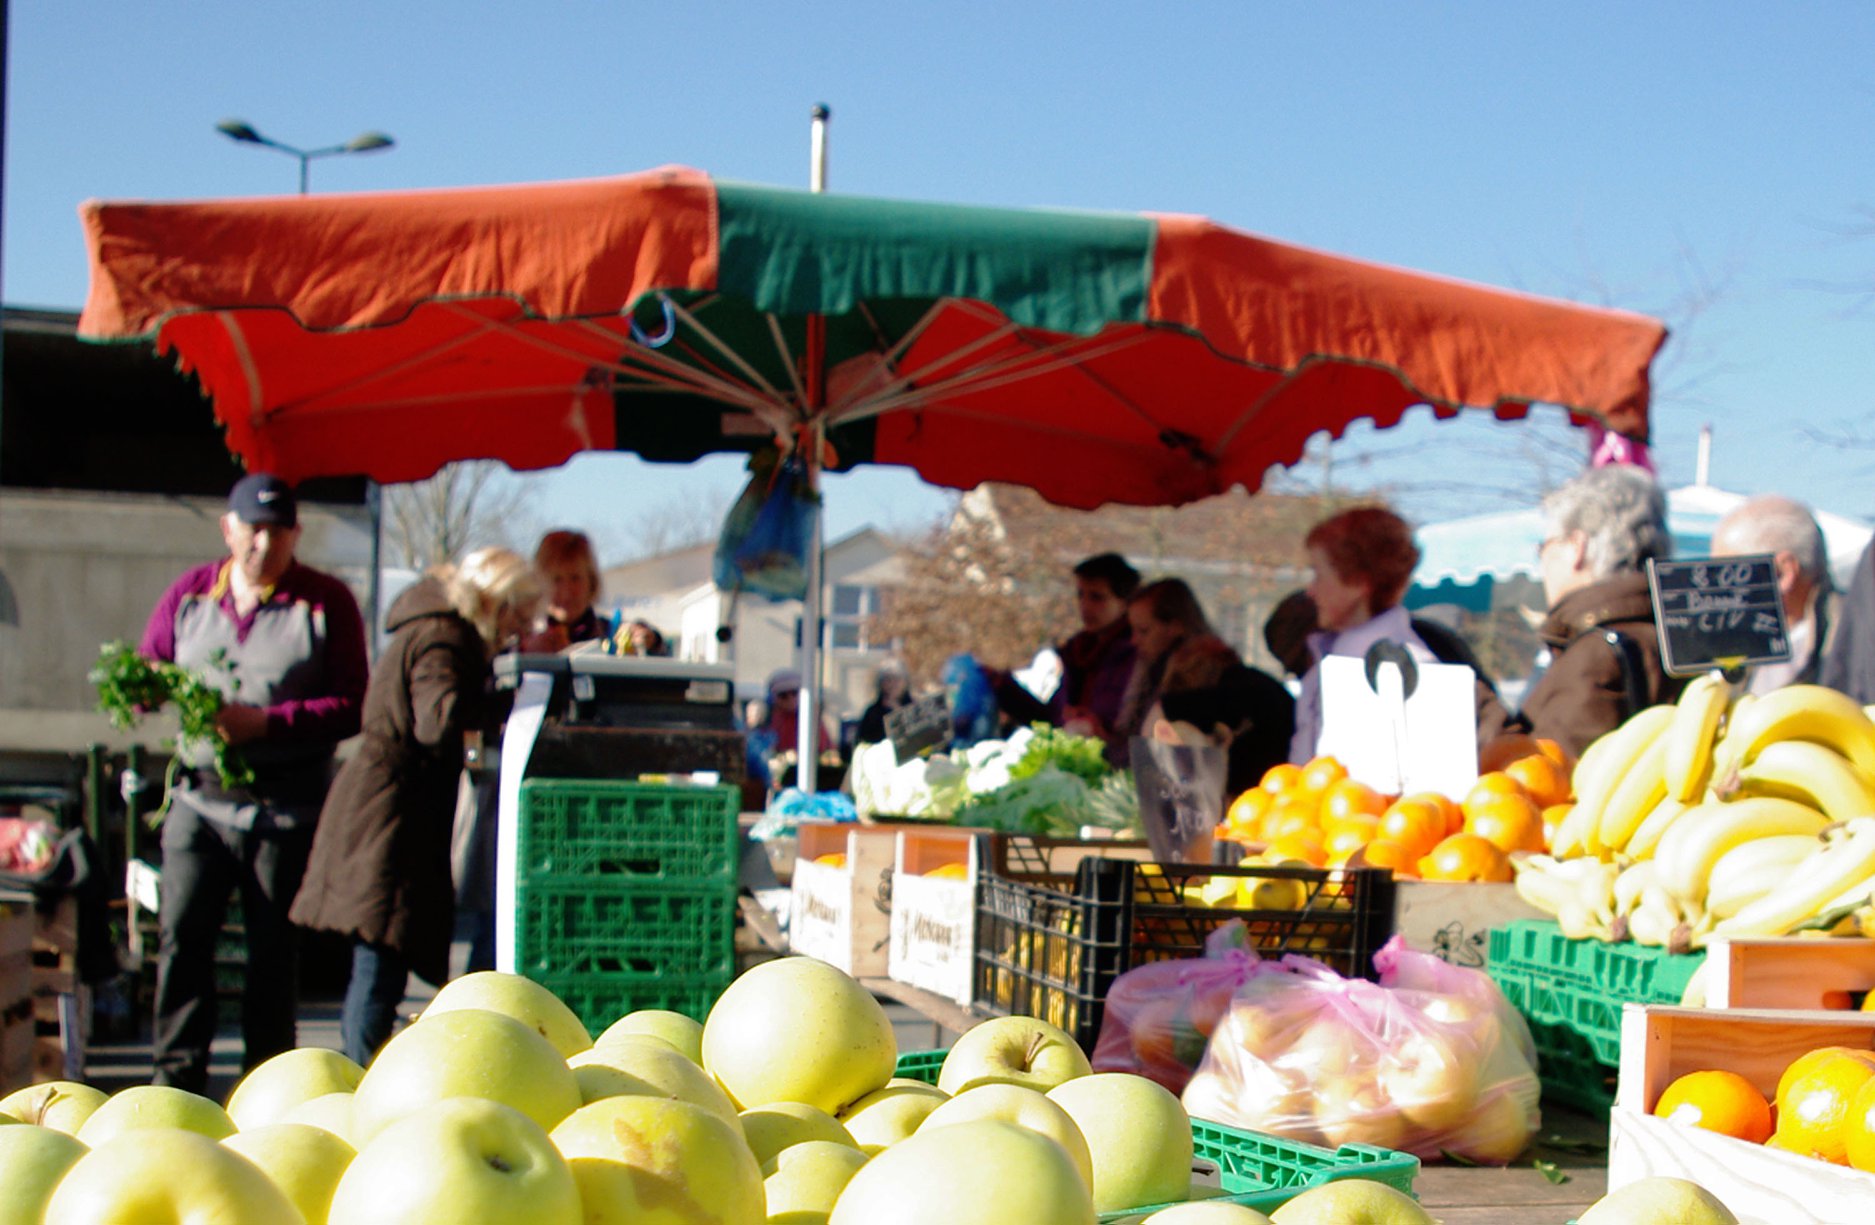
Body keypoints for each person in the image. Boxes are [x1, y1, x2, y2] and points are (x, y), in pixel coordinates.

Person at [138, 473, 368, 1092]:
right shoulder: (191, 593)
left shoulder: (326, 602)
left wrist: (264, 725)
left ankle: (263, 1094)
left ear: (296, 534)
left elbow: (352, 705)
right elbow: (151, 660)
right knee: (183, 943)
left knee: (273, 957)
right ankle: (175, 1087)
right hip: (197, 799)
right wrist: (141, 691)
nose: (262, 545)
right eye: (252, 529)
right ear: (228, 528)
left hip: (285, 809)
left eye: (277, 531)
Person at [289, 548, 541, 1067]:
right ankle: (359, 1075)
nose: (518, 627)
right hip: (392, 814)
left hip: (387, 805)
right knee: (379, 955)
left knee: (380, 952)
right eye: (516, 613)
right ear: (496, 601)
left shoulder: (429, 627)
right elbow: (438, 718)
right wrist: (504, 701)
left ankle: (358, 1069)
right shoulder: (445, 636)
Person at [1516, 465, 1681, 757]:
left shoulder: (1595, 656)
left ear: (1577, 547)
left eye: (1544, 546)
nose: (1542, 560)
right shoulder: (1680, 636)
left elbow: (1547, 783)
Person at [1264, 588, 1511, 751]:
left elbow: (1484, 720)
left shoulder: (1402, 649)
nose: (1303, 677)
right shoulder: (1395, 640)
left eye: (1298, 667)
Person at [1287, 507, 1440, 764]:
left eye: (1318, 574)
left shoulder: (1408, 669)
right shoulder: (1336, 653)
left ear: (1358, 583)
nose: (1310, 591)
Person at [1115, 579, 1296, 793]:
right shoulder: (1150, 672)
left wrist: (1168, 707)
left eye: (1144, 631)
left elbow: (1258, 697)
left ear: (1175, 626)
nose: (1135, 640)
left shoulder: (1209, 676)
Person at [990, 552, 1140, 757]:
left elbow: (1133, 734)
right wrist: (1002, 686)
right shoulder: (1078, 654)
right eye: (1080, 595)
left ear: (1125, 602)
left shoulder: (1134, 658)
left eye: (1097, 597)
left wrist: (1096, 727)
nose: (1085, 606)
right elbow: (1050, 721)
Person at [1710, 494, 1836, 694]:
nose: (1714, 590)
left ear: (1783, 574)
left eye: (1727, 574)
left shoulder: (1849, 643)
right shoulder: (1745, 645)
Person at [745, 668, 836, 792]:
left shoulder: (812, 722)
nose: (790, 699)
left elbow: (826, 752)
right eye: (783, 695)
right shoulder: (767, 725)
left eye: (794, 693)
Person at [522, 529, 608, 651]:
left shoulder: (612, 636)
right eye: (556, 580)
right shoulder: (523, 641)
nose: (566, 592)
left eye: (575, 578)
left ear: (591, 582)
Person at [855, 659, 913, 746]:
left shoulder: (914, 709)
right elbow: (864, 740)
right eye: (888, 679)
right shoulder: (872, 713)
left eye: (897, 679)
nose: (893, 684)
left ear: (905, 682)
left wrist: (897, 710)